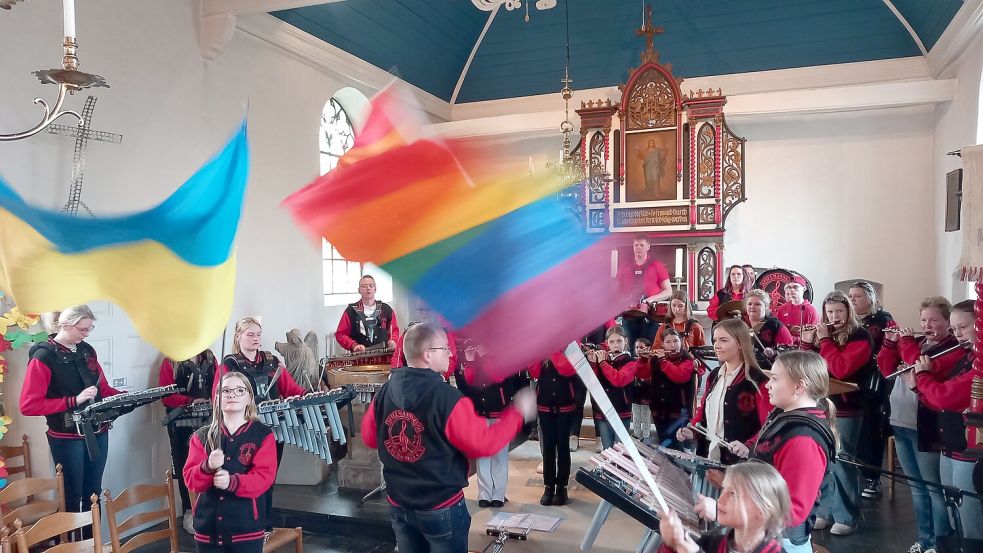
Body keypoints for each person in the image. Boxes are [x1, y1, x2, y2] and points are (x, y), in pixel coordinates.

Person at [361, 323, 536, 553]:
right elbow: (485, 443)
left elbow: (370, 438)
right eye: (445, 348)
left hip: (399, 501)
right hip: (440, 504)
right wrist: (517, 413)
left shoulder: (384, 392)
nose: (451, 352)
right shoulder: (448, 399)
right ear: (427, 355)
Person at [20, 306, 124, 516]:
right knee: (71, 493)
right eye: (82, 329)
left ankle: (92, 544)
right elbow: (29, 405)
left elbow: (102, 388)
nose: (86, 334)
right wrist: (73, 400)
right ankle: (72, 545)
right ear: (66, 325)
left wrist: (124, 397)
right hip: (67, 436)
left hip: (97, 431)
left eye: (89, 329)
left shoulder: (87, 350)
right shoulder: (43, 357)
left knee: (93, 491)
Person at [878, 297, 962, 552]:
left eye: (934, 319)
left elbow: (922, 366)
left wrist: (904, 344)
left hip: (926, 424)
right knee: (916, 489)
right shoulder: (917, 344)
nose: (927, 325)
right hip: (901, 420)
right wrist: (890, 345)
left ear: (948, 322)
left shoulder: (954, 348)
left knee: (933, 489)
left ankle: (941, 542)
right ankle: (925, 540)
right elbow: (885, 369)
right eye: (923, 319)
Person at [217, 317, 307, 532]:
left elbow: (290, 388)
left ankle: (266, 526)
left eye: (258, 334)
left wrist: (308, 396)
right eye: (250, 334)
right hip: (243, 433)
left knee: (268, 479)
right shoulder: (228, 365)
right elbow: (219, 399)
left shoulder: (272, 362)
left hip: (272, 431)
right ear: (238, 336)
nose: (256, 338)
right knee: (247, 480)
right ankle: (249, 527)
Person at [745, 351, 837, 553]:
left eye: (775, 379)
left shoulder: (803, 439)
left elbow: (793, 511)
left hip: (780, 541)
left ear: (798, 387)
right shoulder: (786, 417)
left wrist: (734, 508)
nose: (768, 385)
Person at [799, 291, 874, 536]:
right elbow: (805, 366)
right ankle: (825, 511)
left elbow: (841, 369)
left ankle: (846, 515)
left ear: (849, 311)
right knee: (824, 462)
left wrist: (825, 342)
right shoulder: (827, 335)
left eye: (839, 311)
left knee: (843, 462)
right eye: (830, 312)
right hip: (822, 404)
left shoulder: (860, 336)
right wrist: (808, 342)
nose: (834, 316)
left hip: (848, 407)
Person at [914, 300, 983, 546]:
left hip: (970, 450)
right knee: (954, 511)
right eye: (954, 330)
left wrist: (922, 376)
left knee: (971, 518)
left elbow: (946, 396)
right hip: (950, 443)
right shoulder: (968, 357)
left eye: (963, 327)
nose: (958, 335)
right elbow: (940, 401)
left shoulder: (980, 364)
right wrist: (922, 386)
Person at [184, 372, 277, 553]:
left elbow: (263, 478)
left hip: (246, 530)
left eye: (239, 390)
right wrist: (207, 467)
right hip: (207, 531)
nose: (232, 395)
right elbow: (191, 481)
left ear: (250, 398)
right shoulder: (202, 437)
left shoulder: (262, 435)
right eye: (225, 391)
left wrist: (232, 482)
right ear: (217, 398)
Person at [677, 319, 771, 465]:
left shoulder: (759, 381)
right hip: (708, 457)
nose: (717, 346)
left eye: (724, 340)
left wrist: (749, 445)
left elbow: (769, 425)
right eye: (715, 340)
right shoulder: (714, 375)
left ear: (740, 343)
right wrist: (693, 430)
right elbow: (703, 410)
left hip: (741, 467)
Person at [454, 346, 529, 508]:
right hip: (480, 414)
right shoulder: (475, 356)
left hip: (500, 414)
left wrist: (483, 358)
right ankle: (484, 494)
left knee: (499, 456)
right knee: (482, 456)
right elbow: (468, 388)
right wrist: (461, 369)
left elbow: (501, 378)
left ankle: (498, 494)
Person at [657, 462, 791, 553]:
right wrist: (672, 545)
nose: (720, 499)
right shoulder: (710, 545)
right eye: (724, 489)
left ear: (764, 510)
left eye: (732, 493)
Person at [160, 349, 219, 534]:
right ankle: (189, 511)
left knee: (211, 466)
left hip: (209, 421)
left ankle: (211, 510)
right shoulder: (170, 361)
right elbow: (166, 396)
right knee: (185, 466)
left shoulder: (209, 358)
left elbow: (218, 386)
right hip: (181, 424)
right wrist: (190, 401)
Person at [847, 280, 897, 500]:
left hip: (873, 383)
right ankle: (853, 473)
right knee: (852, 432)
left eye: (856, 296)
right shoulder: (849, 321)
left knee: (870, 431)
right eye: (850, 295)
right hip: (850, 381)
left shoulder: (883, 320)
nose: (852, 299)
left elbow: (891, 349)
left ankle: (872, 478)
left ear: (870, 298)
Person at [529, 351, 584, 506]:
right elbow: (534, 372)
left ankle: (562, 487)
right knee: (548, 447)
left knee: (562, 446)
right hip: (544, 404)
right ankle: (548, 486)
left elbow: (566, 368)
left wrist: (552, 349)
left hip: (565, 405)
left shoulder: (569, 344)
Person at [586, 326, 637, 450]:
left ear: (626, 341)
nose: (616, 345)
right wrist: (593, 363)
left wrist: (603, 363)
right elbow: (593, 382)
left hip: (621, 410)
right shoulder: (604, 358)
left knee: (619, 449)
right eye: (612, 342)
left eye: (619, 341)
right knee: (607, 448)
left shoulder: (630, 361)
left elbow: (618, 380)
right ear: (607, 343)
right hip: (603, 410)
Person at [644, 329, 696, 449]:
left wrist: (663, 360)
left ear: (681, 341)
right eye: (668, 342)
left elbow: (678, 376)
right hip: (659, 411)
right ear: (662, 344)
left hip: (679, 413)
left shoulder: (687, 359)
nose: (672, 345)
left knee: (677, 447)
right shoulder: (656, 359)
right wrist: (643, 360)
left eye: (675, 341)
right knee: (664, 445)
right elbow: (643, 374)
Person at [617, 236, 672, 349]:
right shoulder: (624, 265)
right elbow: (617, 290)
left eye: (641, 245)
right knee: (631, 347)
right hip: (629, 314)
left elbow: (668, 291)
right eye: (636, 245)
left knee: (650, 347)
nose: (638, 248)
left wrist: (652, 299)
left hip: (651, 314)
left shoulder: (657, 265)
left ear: (648, 247)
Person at [335, 275, 399, 353]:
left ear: (375, 289)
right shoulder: (351, 311)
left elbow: (394, 330)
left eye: (371, 285)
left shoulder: (386, 309)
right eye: (364, 286)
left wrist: (393, 341)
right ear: (359, 290)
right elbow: (341, 334)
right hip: (360, 357)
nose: (368, 288)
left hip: (384, 356)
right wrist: (353, 345)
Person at [745, 288, 794, 367]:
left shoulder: (776, 325)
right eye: (749, 304)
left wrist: (773, 352)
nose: (752, 307)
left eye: (757, 304)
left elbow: (789, 351)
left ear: (766, 306)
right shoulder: (741, 323)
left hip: (768, 370)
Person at [772, 276, 818, 341]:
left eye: (795, 287)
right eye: (789, 287)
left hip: (803, 348)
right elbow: (777, 330)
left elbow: (814, 335)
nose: (792, 290)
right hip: (784, 347)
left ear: (804, 288)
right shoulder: (782, 309)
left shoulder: (811, 310)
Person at [631, 338, 655, 441]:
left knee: (645, 416)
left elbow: (650, 372)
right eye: (636, 347)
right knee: (636, 416)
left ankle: (646, 435)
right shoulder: (634, 361)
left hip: (647, 391)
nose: (638, 350)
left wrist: (646, 358)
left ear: (648, 348)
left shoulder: (651, 361)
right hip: (636, 391)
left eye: (641, 347)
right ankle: (636, 434)